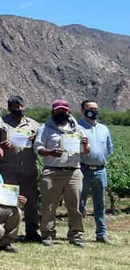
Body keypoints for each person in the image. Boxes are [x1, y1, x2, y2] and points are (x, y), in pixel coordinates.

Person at [34, 100, 90, 247]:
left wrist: (84, 144)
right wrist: (50, 152)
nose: (61, 113)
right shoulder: (44, 128)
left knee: (75, 206)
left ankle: (76, 235)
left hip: (74, 171)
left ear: (68, 112)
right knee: (49, 207)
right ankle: (47, 234)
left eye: (64, 110)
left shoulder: (77, 129)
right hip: (52, 172)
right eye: (58, 111)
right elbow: (38, 148)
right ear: (53, 112)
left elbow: (85, 151)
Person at [0, 95, 40, 241]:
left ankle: (32, 232)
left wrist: (35, 141)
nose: (18, 109)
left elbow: (40, 145)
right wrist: (0, 146)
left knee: (31, 203)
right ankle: (6, 233)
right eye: (14, 106)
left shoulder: (34, 125)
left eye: (20, 106)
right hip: (8, 169)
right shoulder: (0, 123)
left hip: (28, 169)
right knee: (8, 203)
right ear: (9, 107)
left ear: (24, 105)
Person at [78, 100, 113, 244]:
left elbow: (109, 149)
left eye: (95, 108)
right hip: (82, 170)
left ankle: (101, 234)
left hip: (100, 171)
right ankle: (77, 234)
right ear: (82, 110)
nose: (93, 111)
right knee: (79, 204)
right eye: (90, 108)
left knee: (100, 204)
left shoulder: (104, 129)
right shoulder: (77, 128)